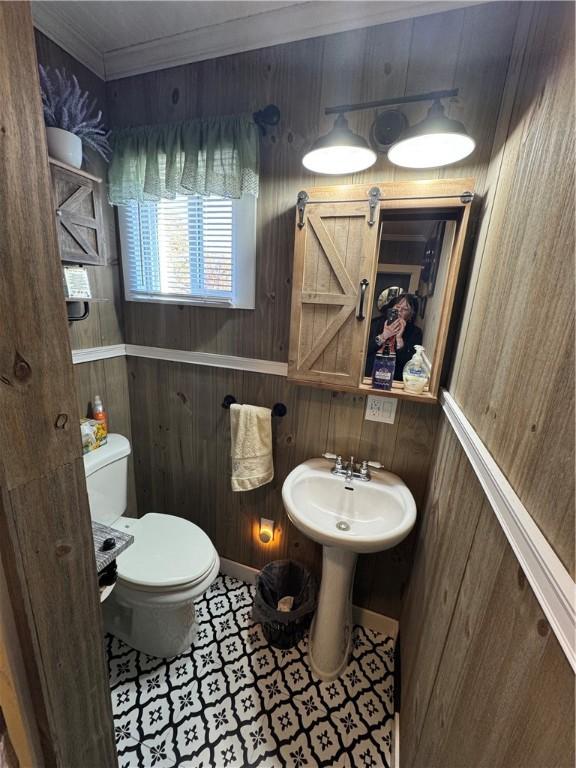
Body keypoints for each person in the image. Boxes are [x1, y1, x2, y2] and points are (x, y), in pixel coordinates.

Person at [365, 293, 422, 380]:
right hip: (369, 375)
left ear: (410, 315)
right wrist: (383, 336)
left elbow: (408, 364)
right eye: (397, 306)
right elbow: (364, 350)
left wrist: (399, 339)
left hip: (395, 380)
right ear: (392, 308)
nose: (399, 310)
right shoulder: (375, 323)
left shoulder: (415, 332)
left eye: (405, 309)